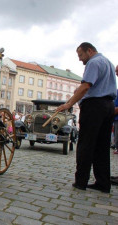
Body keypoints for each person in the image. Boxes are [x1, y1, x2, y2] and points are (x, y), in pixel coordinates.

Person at [56, 42, 116, 193]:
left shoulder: (93, 62)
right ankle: (103, 182)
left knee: (86, 144)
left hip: (94, 106)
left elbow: (86, 86)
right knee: (102, 146)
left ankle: (81, 181)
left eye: (80, 55)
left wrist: (69, 103)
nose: (80, 59)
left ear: (89, 51)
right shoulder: (108, 62)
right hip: (108, 105)